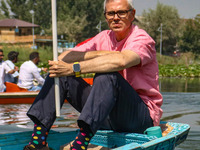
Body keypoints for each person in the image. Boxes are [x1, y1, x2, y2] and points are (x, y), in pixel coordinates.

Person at [24, 0, 163, 149]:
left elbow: (123, 60)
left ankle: (80, 143)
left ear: (132, 14)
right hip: (106, 113)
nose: (116, 17)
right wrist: (103, 54)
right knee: (60, 73)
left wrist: (75, 68)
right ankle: (38, 140)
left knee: (107, 75)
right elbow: (64, 57)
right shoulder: (103, 37)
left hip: (139, 117)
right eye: (111, 13)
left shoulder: (141, 38)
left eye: (121, 12)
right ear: (105, 16)